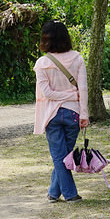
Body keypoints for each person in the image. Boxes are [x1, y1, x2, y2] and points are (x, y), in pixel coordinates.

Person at [33, 20, 89, 202]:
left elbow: (47, 93)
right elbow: (83, 89)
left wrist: (66, 96)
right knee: (63, 156)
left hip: (51, 115)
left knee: (60, 157)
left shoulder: (42, 63)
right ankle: (61, 193)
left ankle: (58, 193)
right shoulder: (77, 58)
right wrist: (81, 108)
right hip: (73, 113)